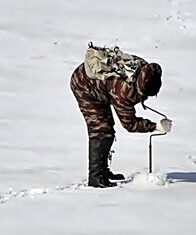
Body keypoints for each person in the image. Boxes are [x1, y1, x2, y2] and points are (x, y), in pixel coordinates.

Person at [69, 56, 170, 188]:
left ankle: (103, 170)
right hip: (83, 85)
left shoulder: (145, 70)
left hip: (101, 85)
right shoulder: (124, 91)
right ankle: (96, 177)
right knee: (100, 128)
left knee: (107, 127)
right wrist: (155, 127)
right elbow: (130, 124)